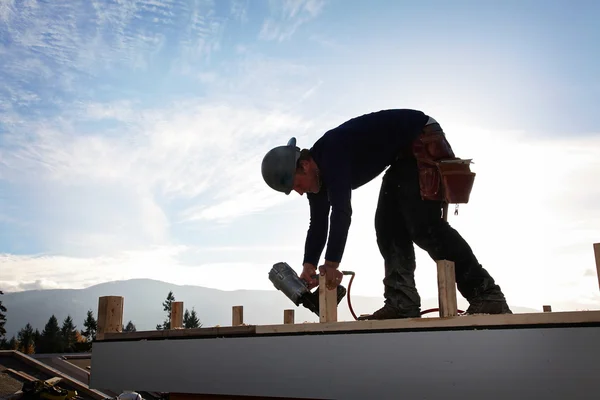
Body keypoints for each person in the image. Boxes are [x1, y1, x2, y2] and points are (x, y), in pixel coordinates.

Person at [261, 109, 512, 319]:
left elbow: (341, 211)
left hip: (419, 139)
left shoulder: (331, 153)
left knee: (423, 225)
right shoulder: (317, 180)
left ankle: (487, 294)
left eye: (296, 184)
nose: (299, 192)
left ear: (304, 165)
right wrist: (309, 265)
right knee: (387, 227)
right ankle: (402, 302)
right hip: (400, 158)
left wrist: (332, 264)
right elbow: (318, 225)